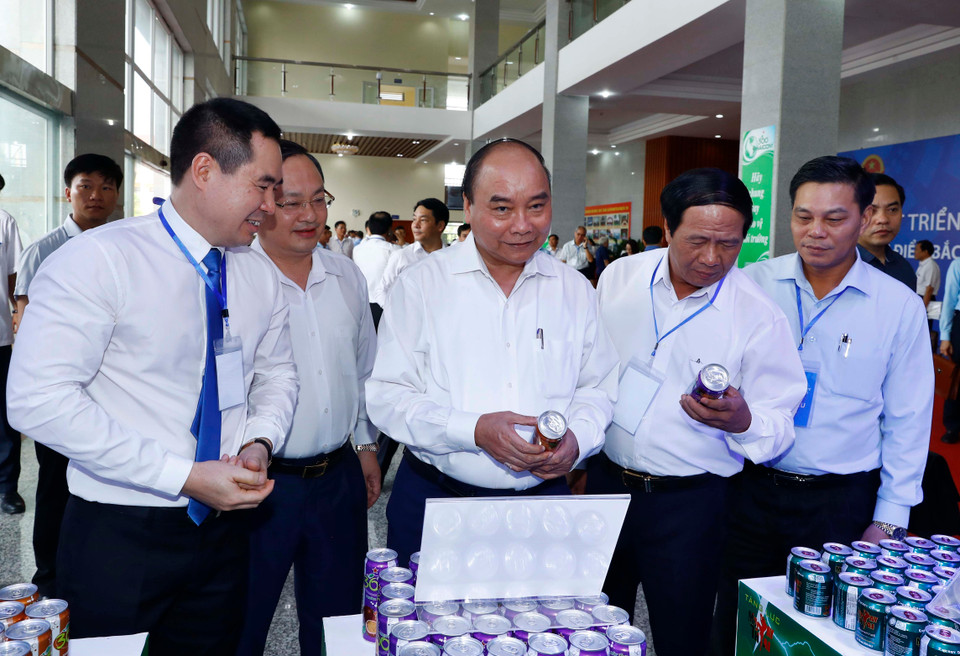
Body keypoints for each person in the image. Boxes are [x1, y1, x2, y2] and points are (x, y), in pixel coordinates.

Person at [6, 98, 299, 654]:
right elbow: (35, 399)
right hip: (120, 531)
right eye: (262, 186)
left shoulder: (258, 273)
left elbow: (278, 373)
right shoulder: (101, 261)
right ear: (206, 171)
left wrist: (260, 440)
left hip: (225, 530)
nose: (271, 205)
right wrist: (182, 475)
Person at [712, 156, 933, 655]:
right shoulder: (750, 284)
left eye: (834, 218)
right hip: (750, 489)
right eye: (803, 216)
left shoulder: (896, 305)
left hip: (840, 503)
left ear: (863, 217)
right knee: (735, 623)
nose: (815, 232)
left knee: (819, 635)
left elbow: (908, 418)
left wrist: (890, 517)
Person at [366, 139, 619, 564]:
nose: (522, 225)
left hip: (544, 506)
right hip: (437, 502)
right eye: (502, 209)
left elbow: (597, 385)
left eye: (537, 207)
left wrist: (578, 438)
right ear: (468, 206)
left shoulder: (574, 290)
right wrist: (472, 430)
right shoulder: (423, 285)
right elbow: (389, 396)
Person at [590, 168, 806, 656]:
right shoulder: (621, 277)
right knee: (591, 620)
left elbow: (779, 427)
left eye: (729, 244)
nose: (712, 258)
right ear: (666, 229)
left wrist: (743, 421)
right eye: (698, 241)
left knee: (681, 631)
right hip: (605, 486)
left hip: (689, 503)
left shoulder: (758, 315)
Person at [238, 140, 379, 656]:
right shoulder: (233, 277)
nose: (310, 215)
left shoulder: (346, 275)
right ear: (263, 202)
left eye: (320, 200)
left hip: (337, 479)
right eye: (292, 201)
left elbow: (365, 369)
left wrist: (365, 447)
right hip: (258, 485)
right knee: (243, 618)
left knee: (337, 623)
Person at [14, 153, 122, 597]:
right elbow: (24, 325)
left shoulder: (125, 246)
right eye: (85, 186)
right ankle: (51, 577)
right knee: (56, 486)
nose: (95, 195)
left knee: (107, 484)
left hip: (114, 394)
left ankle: (99, 569)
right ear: (68, 192)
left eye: (106, 187)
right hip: (63, 394)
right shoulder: (42, 250)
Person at [0, 172, 21, 516]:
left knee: (4, 419)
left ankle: (7, 489)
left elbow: (14, 274)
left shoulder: (4, 222)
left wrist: (17, 313)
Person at [378, 197, 448, 301]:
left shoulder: (451, 258)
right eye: (414, 219)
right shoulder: (402, 256)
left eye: (423, 220)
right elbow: (382, 291)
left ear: (440, 225)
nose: (415, 225)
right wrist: (397, 313)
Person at [857, 172, 917, 290]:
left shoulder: (904, 268)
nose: (883, 219)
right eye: (871, 210)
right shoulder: (834, 269)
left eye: (892, 209)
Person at [353, 211, 399, 330]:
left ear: (369, 228)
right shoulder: (394, 251)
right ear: (389, 228)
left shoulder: (357, 249)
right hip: (384, 305)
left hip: (360, 304)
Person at [939, 258, 960, 444]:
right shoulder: (958, 264)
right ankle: (953, 427)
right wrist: (945, 335)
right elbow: (949, 299)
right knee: (956, 380)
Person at [915, 239, 939, 308]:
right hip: (919, 298)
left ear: (925, 252)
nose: (915, 252)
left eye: (917, 250)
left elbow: (929, 289)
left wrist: (923, 308)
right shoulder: (923, 264)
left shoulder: (931, 265)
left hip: (925, 300)